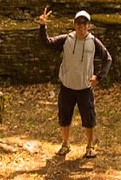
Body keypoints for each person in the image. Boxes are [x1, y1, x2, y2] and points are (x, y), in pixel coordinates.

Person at [37, 8, 112, 158]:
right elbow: (46, 42)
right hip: (67, 87)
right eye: (78, 24)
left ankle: (90, 147)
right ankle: (65, 144)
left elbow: (107, 59)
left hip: (85, 88)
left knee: (89, 118)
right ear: (74, 25)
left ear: (88, 26)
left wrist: (99, 77)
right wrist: (42, 26)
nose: (81, 27)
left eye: (84, 24)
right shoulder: (67, 39)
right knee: (64, 117)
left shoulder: (94, 42)